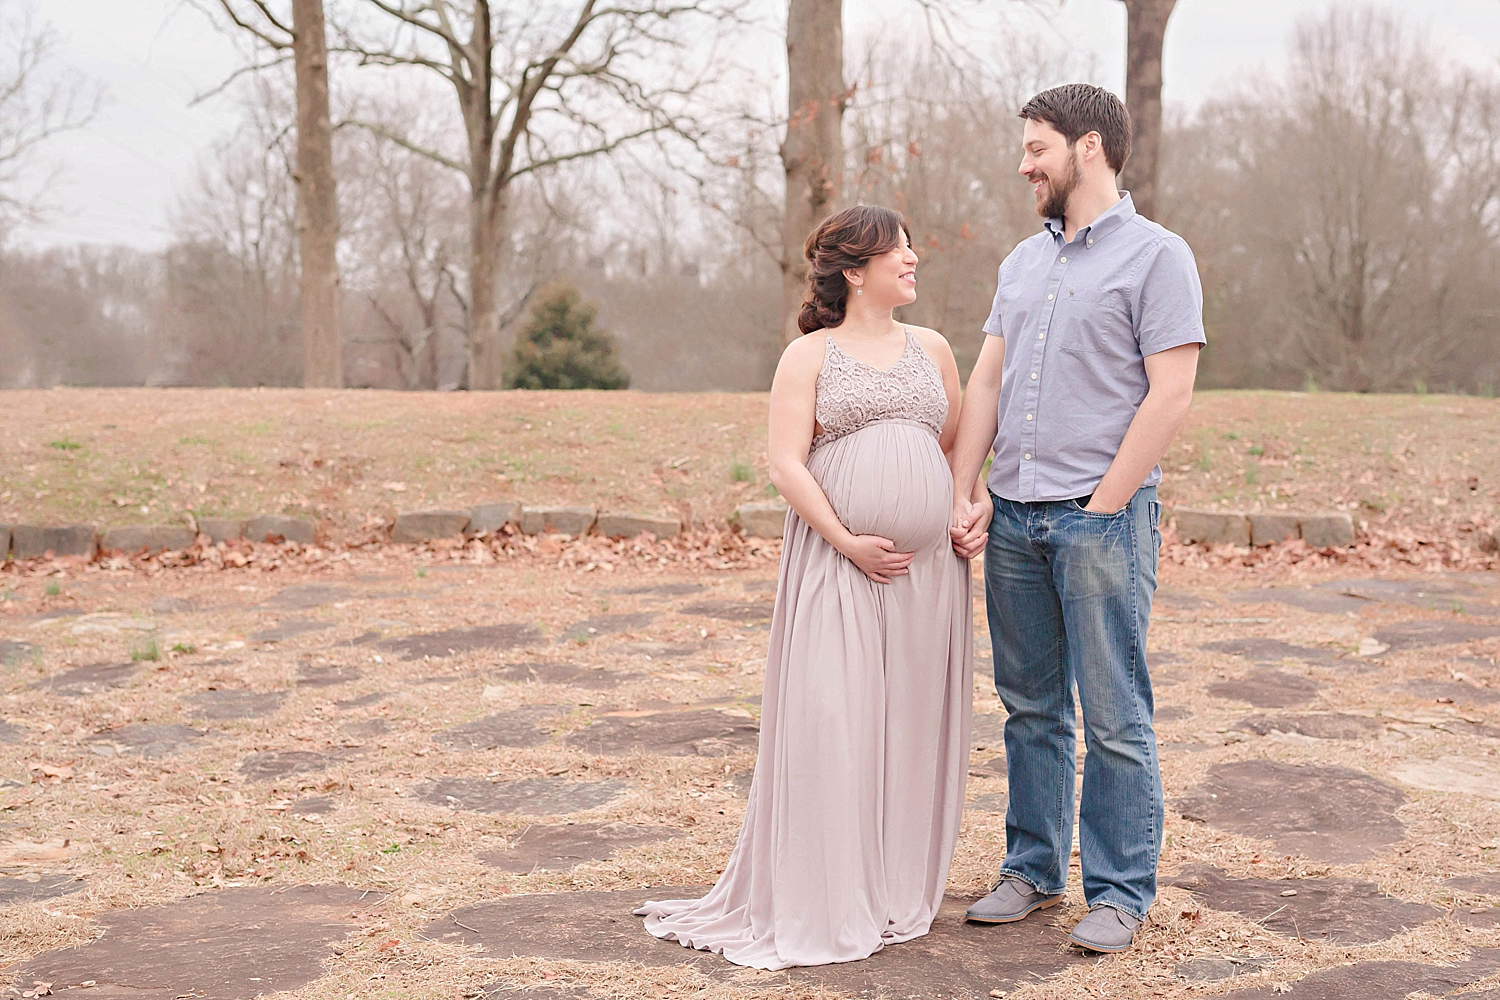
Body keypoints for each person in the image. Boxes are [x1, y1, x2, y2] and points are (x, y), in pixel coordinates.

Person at [635, 205, 974, 969]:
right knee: (835, 718)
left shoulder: (935, 350)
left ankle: (890, 888)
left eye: (913, 246)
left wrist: (963, 508)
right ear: (856, 271)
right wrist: (849, 541)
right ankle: (827, 891)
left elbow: (953, 450)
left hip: (929, 581)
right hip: (836, 565)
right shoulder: (810, 356)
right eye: (900, 250)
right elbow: (788, 463)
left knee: (909, 726)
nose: (914, 259)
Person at [948, 83, 1205, 954]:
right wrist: (966, 483)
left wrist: (1105, 504)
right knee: (1029, 707)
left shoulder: (1158, 256)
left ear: (1087, 146)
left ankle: (1122, 892)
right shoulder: (1021, 263)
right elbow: (987, 380)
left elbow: (1170, 395)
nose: (1025, 165)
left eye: (1036, 149)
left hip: (1103, 518)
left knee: (1115, 715)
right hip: (1015, 520)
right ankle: (1031, 868)